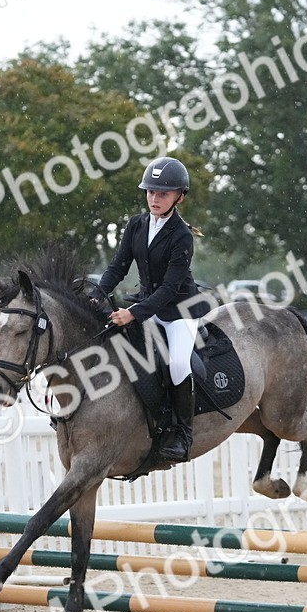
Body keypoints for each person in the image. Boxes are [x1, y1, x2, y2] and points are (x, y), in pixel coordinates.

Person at [94, 156, 210, 462]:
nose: (154, 199)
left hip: (179, 310)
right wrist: (98, 292)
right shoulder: (137, 224)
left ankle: (183, 434)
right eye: (150, 192)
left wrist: (133, 313)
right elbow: (119, 266)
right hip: (146, 301)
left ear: (179, 197)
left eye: (163, 194)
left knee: (178, 364)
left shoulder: (182, 235)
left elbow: (170, 288)